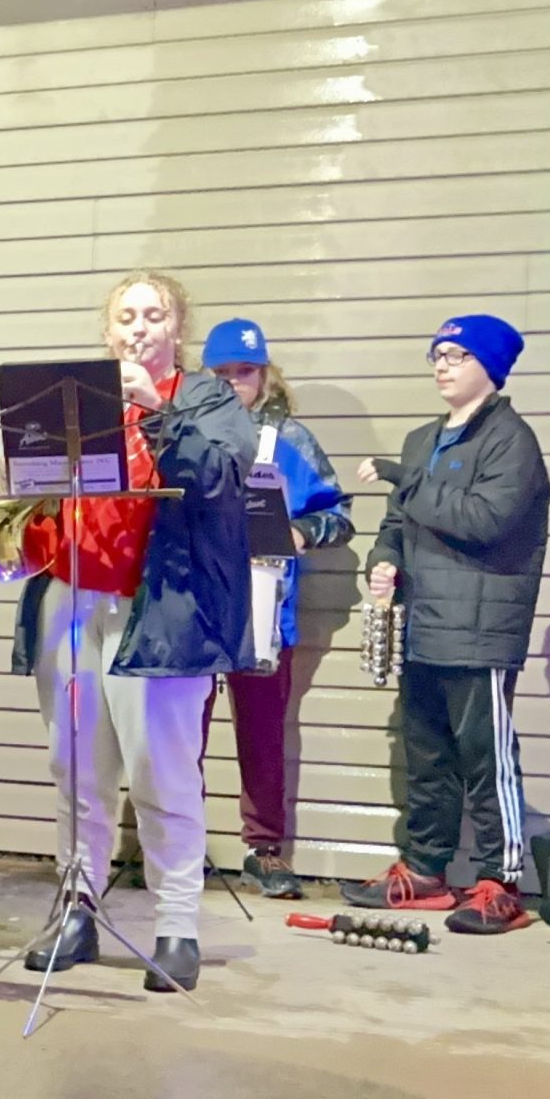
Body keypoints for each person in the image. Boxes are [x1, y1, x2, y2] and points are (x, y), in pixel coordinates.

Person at [8, 271, 256, 992]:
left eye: (154, 314)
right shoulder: (74, 403)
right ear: (107, 331)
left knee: (162, 775)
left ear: (178, 328)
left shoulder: (206, 397)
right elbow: (43, 491)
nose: (139, 328)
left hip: (160, 611)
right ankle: (76, 910)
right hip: (69, 601)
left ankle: (176, 925)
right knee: (76, 772)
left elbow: (219, 477)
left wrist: (155, 410)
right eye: (126, 316)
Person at [343, 316, 545, 937]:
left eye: (458, 355)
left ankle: (501, 883)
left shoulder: (511, 441)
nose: (442, 365)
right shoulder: (421, 441)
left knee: (487, 759)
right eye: (437, 354)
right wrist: (383, 564)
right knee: (427, 757)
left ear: (491, 366)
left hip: (480, 631)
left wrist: (409, 480)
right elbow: (396, 526)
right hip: (423, 628)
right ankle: (427, 871)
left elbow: (483, 520)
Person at [196, 319, 352, 900]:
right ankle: (172, 843)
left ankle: (264, 849)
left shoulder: (291, 440)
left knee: (262, 734)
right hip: (193, 608)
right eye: (223, 373)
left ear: (265, 375)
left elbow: (337, 514)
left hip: (265, 611)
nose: (235, 382)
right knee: (178, 734)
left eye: (246, 371)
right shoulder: (181, 435)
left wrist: (302, 531)